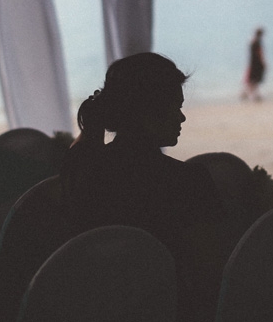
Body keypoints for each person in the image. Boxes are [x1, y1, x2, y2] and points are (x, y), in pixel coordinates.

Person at [60, 52, 228, 322]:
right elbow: (213, 272)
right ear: (150, 112)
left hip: (96, 308)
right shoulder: (187, 181)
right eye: (176, 107)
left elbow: (79, 154)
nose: (182, 118)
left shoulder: (83, 170)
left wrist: (93, 123)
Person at [241, 27, 266, 102]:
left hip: (252, 63)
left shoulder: (252, 42)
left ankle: (248, 94)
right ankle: (250, 94)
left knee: (252, 80)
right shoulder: (257, 42)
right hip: (256, 64)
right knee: (254, 80)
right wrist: (263, 62)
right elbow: (259, 53)